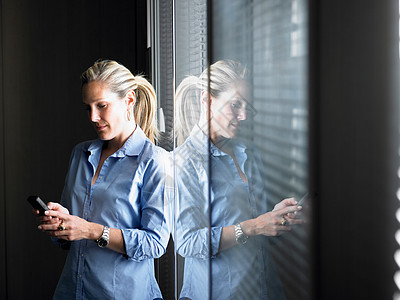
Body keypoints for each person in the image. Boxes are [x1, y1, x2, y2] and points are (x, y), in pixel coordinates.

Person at [34, 59, 170, 299]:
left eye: (102, 105)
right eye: (88, 108)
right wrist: (62, 226)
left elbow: (155, 244)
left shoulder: (154, 161)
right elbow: (71, 238)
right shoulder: (80, 153)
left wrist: (90, 230)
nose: (93, 117)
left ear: (129, 100)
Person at [174, 59, 303, 299]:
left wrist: (275, 220)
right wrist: (255, 226)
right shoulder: (183, 162)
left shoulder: (248, 153)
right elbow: (188, 242)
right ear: (207, 100)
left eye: (247, 106)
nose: (243, 115)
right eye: (235, 104)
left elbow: (257, 230)